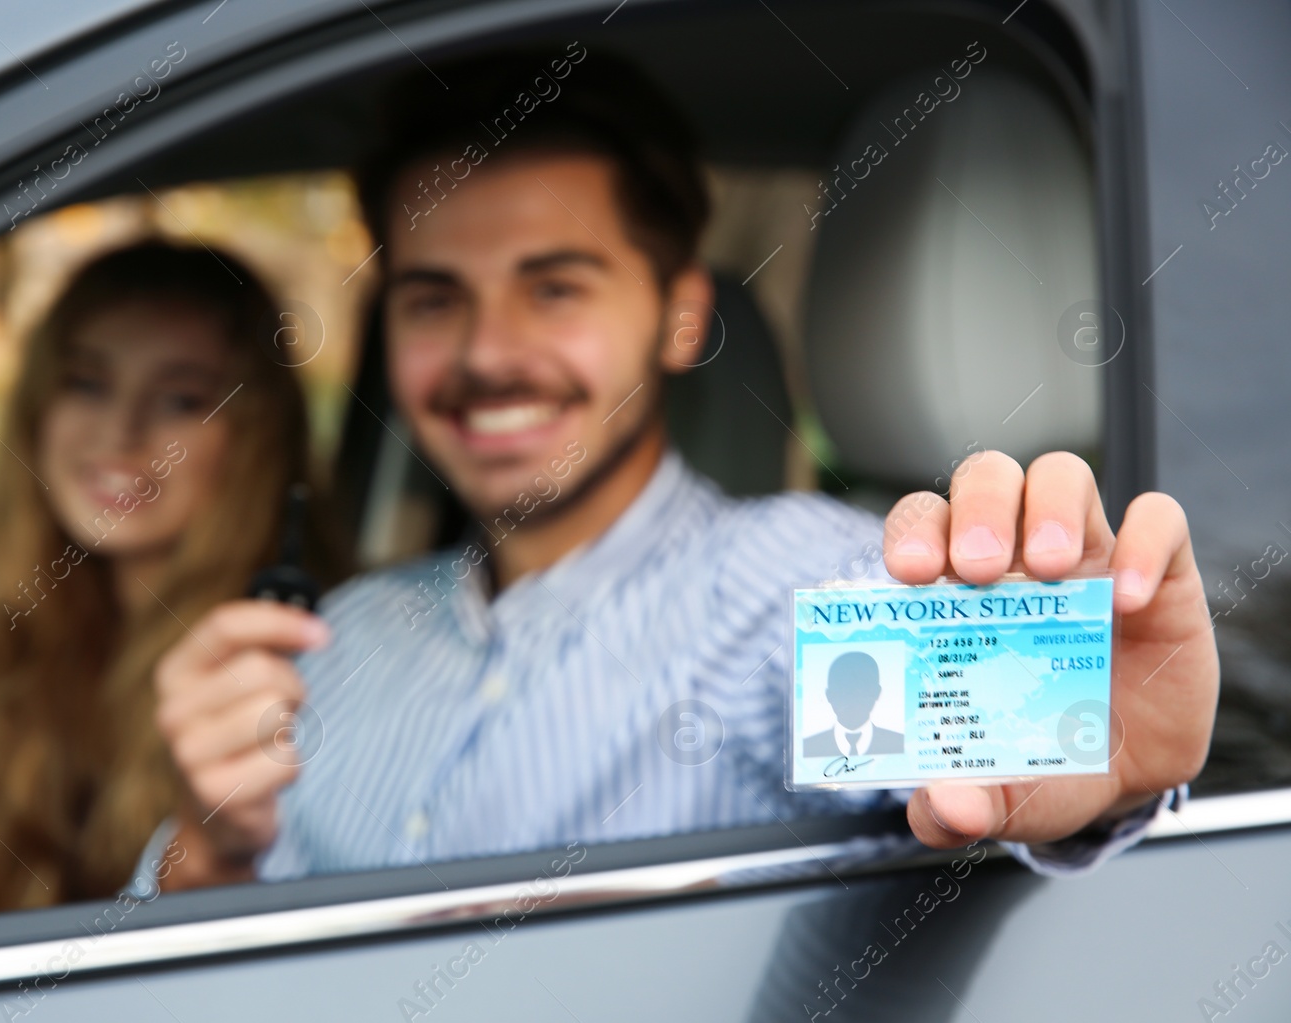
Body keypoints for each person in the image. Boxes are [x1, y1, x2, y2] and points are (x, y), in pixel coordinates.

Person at [149, 51, 1217, 889]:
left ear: (679, 317)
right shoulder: (335, 640)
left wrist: (1070, 714)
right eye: (433, 297)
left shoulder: (769, 589)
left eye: (554, 286)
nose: (484, 353)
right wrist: (207, 856)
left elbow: (1009, 731)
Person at [0, 241, 340, 912]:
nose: (121, 433)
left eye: (181, 399)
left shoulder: (293, 665)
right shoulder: (38, 633)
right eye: (87, 384)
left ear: (255, 436)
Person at [803, 651, 903, 758]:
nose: (852, 695)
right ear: (829, 695)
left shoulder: (900, 744)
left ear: (877, 692)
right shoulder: (807, 748)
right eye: (842, 687)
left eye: (862, 686)